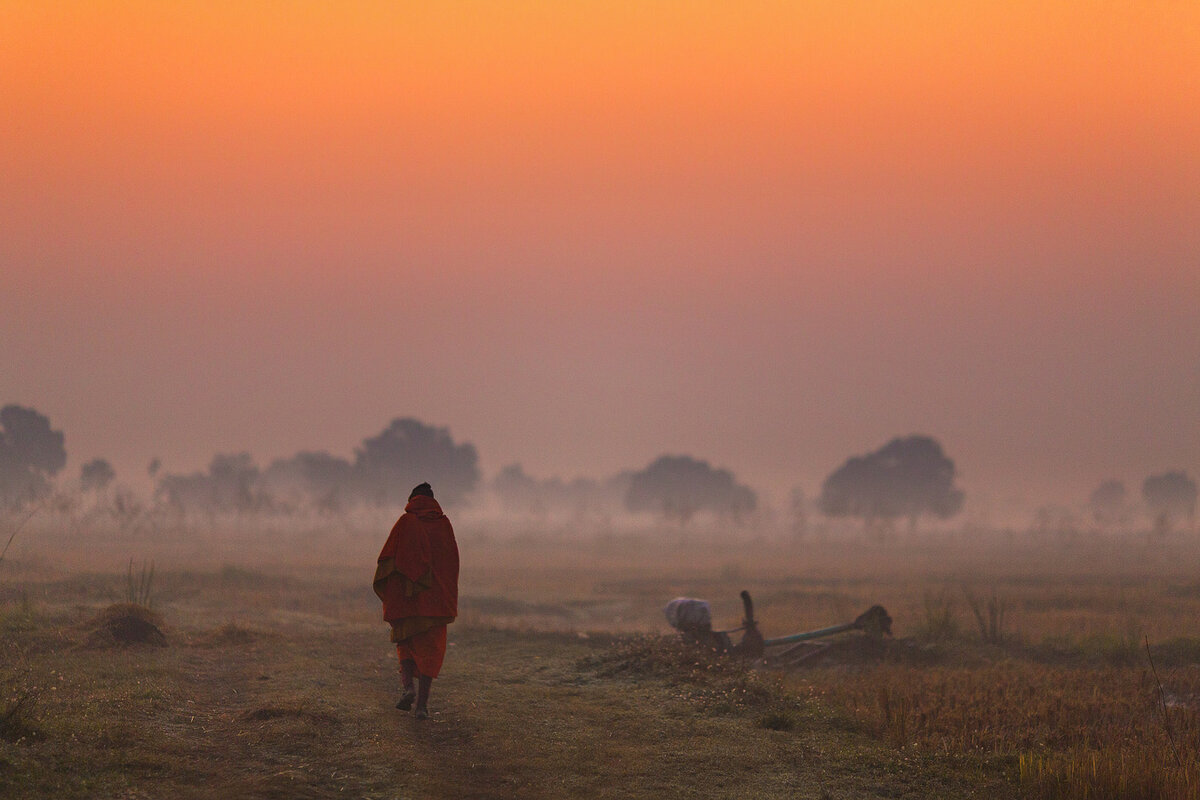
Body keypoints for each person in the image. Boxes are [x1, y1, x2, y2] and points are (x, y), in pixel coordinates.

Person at [373, 482, 459, 720]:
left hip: (407, 601)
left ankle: (408, 688)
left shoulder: (405, 522)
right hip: (436, 602)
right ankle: (421, 706)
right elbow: (452, 564)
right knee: (430, 652)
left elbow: (387, 560)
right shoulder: (444, 525)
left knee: (405, 644)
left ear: (412, 500)